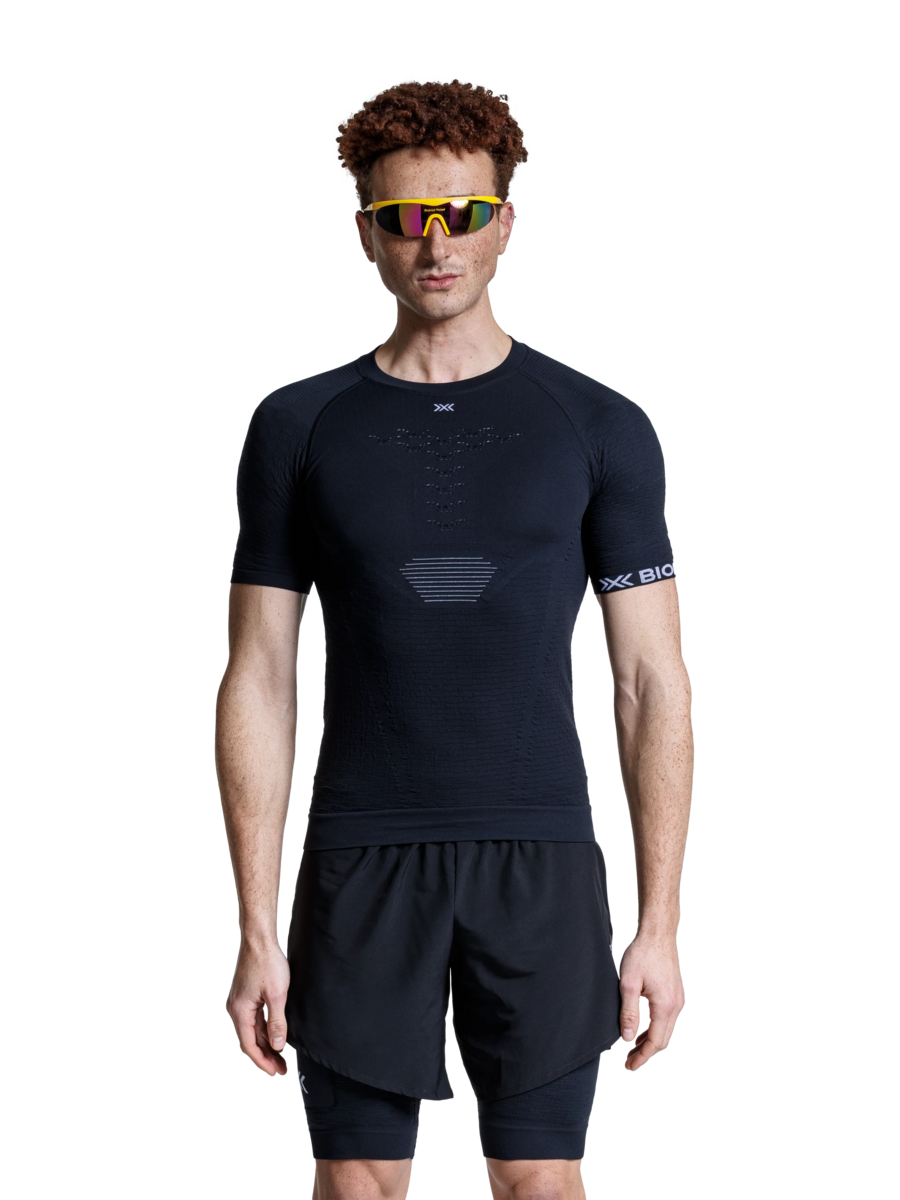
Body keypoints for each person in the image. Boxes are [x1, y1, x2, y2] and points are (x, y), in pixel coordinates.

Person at [215, 76, 693, 1200]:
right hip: (358, 858)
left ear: (507, 221)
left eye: (463, 214)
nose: (437, 246)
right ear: (365, 232)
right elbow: (259, 677)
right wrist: (254, 928)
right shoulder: (296, 424)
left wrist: (661, 923)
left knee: (541, 1180)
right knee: (358, 1182)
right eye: (405, 218)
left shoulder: (601, 424)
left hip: (545, 856)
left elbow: (649, 681)